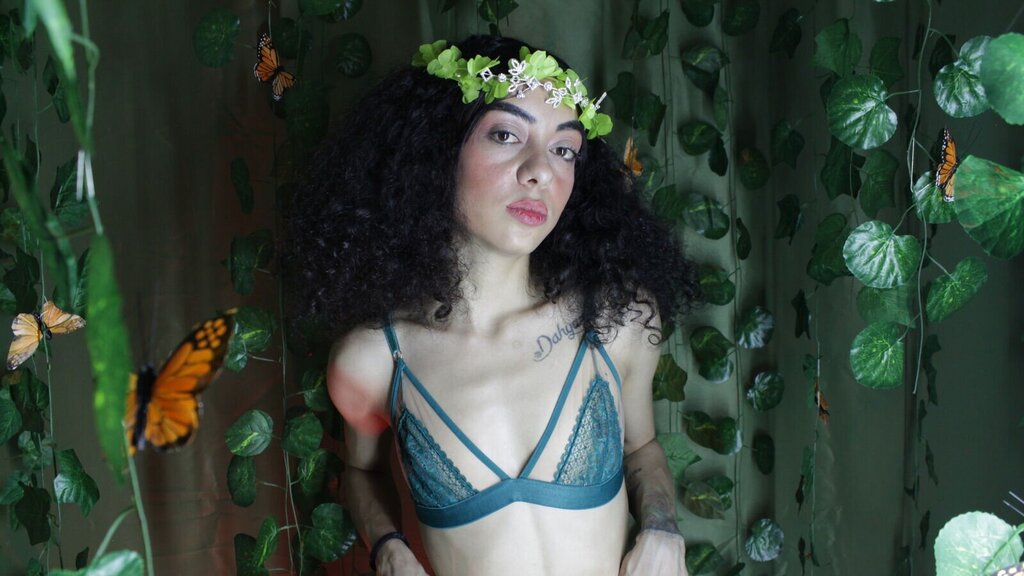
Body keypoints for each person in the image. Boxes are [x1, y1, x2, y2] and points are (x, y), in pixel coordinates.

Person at [288, 34, 697, 576]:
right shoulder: (375, 359)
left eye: (564, 149)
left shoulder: (616, 319)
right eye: (506, 135)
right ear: (435, 150)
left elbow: (641, 447)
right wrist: (389, 548)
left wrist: (662, 526)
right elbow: (363, 473)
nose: (540, 171)